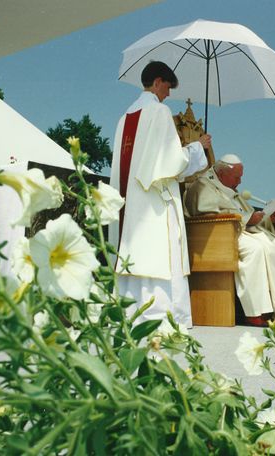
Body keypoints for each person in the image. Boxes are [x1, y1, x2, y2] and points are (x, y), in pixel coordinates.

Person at [109, 61, 211, 327]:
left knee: (134, 253)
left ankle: (129, 313)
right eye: (167, 87)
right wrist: (198, 147)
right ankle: (164, 317)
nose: (168, 94)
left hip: (128, 201)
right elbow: (172, 163)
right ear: (156, 82)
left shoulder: (123, 118)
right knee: (161, 252)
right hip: (154, 200)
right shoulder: (159, 111)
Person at [183, 154, 275, 326]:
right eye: (237, 177)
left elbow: (245, 213)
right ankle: (256, 312)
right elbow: (207, 214)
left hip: (240, 231)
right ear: (221, 173)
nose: (240, 182)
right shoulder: (203, 186)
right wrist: (247, 219)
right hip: (219, 235)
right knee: (255, 249)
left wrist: (265, 219)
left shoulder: (228, 187)